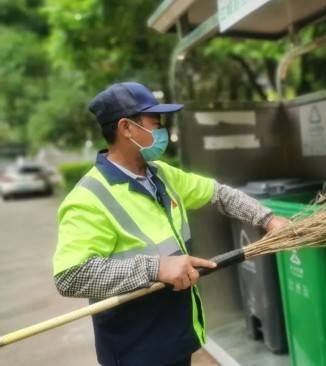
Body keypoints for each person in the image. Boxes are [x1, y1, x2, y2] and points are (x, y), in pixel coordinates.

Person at [52, 82, 289, 366]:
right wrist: (156, 267)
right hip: (135, 352)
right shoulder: (89, 198)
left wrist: (267, 218)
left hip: (176, 336)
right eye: (156, 122)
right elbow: (71, 276)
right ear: (126, 128)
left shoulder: (161, 175)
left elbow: (219, 194)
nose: (163, 131)